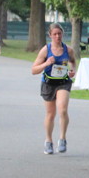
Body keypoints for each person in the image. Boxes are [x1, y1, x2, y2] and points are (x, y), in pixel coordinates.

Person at [31, 22, 77, 154]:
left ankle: (62, 138)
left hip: (63, 82)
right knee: (50, 114)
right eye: (55, 34)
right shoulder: (46, 50)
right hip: (48, 83)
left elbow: (73, 62)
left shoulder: (68, 50)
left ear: (62, 34)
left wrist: (72, 70)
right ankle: (48, 141)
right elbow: (34, 70)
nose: (57, 36)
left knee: (62, 109)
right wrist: (46, 63)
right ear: (50, 35)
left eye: (59, 34)